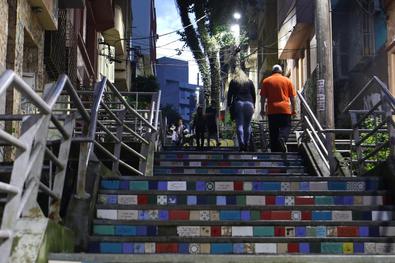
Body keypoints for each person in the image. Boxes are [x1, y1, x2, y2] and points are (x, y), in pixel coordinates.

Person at [260, 64, 296, 152]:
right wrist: (294, 110)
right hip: (285, 110)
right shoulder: (287, 81)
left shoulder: (266, 81)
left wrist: (262, 110)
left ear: (272, 72)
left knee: (273, 133)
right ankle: (283, 138)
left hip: (272, 110)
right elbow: (292, 97)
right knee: (287, 127)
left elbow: (263, 98)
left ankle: (274, 152)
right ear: (281, 71)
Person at [227, 67, 256, 152]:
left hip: (238, 103)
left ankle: (241, 144)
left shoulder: (233, 82)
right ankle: (246, 144)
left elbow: (229, 95)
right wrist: (253, 105)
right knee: (247, 125)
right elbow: (253, 94)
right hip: (249, 103)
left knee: (239, 125)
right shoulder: (249, 81)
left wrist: (229, 105)